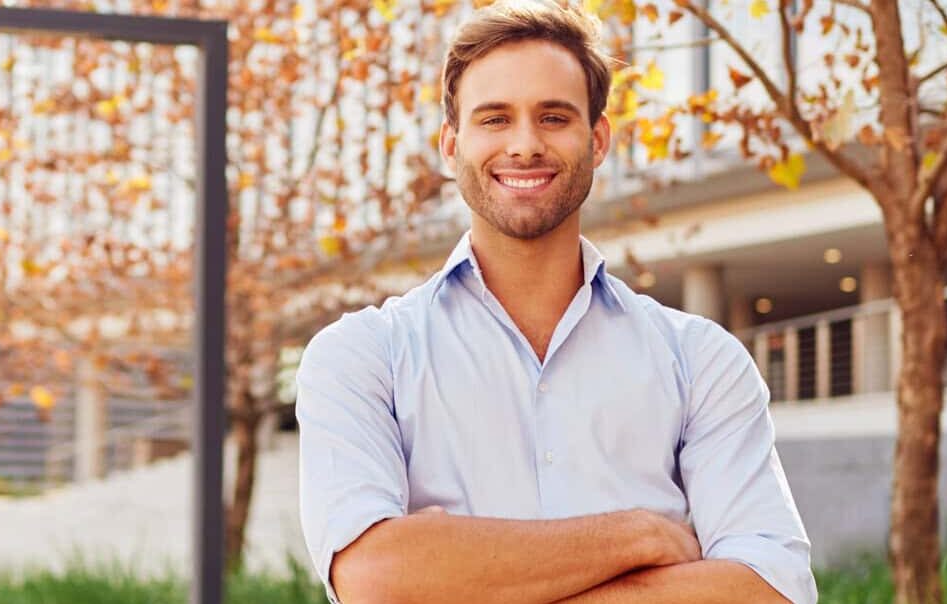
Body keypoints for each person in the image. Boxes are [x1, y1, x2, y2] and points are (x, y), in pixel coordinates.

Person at [293, 2, 815, 602]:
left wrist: (460, 574)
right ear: (450, 143)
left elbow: (771, 588)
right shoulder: (362, 357)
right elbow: (375, 577)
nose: (524, 145)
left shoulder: (701, 360)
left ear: (597, 140)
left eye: (553, 117)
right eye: (494, 119)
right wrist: (640, 536)